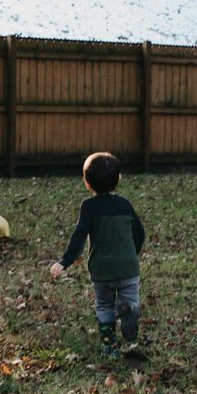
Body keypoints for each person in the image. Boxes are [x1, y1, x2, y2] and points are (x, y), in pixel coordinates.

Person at [50, 150, 147, 357]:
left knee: (104, 305)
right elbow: (140, 233)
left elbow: (79, 236)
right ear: (118, 179)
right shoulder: (125, 204)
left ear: (87, 183)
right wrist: (132, 254)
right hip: (128, 267)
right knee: (130, 299)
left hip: (102, 270)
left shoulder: (89, 207)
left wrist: (64, 261)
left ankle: (108, 347)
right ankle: (128, 310)